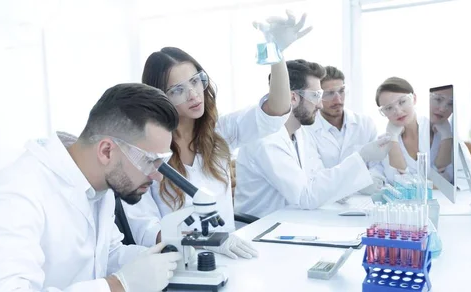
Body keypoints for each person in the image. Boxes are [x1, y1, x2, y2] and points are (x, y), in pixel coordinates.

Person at [0, 83, 183, 292]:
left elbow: (107, 256)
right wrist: (117, 286)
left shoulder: (97, 187)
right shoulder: (17, 196)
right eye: (149, 161)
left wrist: (166, 259)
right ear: (106, 151)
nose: (157, 177)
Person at [120, 11, 311, 259]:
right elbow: (146, 231)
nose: (193, 94)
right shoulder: (143, 155)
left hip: (231, 255)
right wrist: (205, 240)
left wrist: (276, 54)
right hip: (179, 264)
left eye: (195, 81)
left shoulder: (218, 132)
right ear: (159, 97)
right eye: (178, 89)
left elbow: (276, 111)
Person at [233, 59, 392, 218]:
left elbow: (317, 177)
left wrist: (346, 188)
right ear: (293, 98)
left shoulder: (300, 133)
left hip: (291, 220)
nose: (320, 105)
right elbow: (305, 196)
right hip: (259, 228)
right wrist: (362, 157)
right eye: (316, 96)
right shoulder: (266, 139)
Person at [305, 66, 384, 194]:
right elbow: (317, 176)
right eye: (329, 94)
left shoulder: (365, 124)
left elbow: (377, 167)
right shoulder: (307, 131)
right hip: (326, 203)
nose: (338, 100)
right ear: (317, 96)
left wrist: (371, 180)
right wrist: (358, 183)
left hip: (364, 200)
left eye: (341, 91)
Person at [372, 77, 454, 183]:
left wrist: (447, 136)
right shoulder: (383, 143)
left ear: (414, 99)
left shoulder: (442, 131)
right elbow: (394, 181)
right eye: (388, 108)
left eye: (402, 102)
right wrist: (392, 138)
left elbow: (459, 178)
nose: (398, 111)